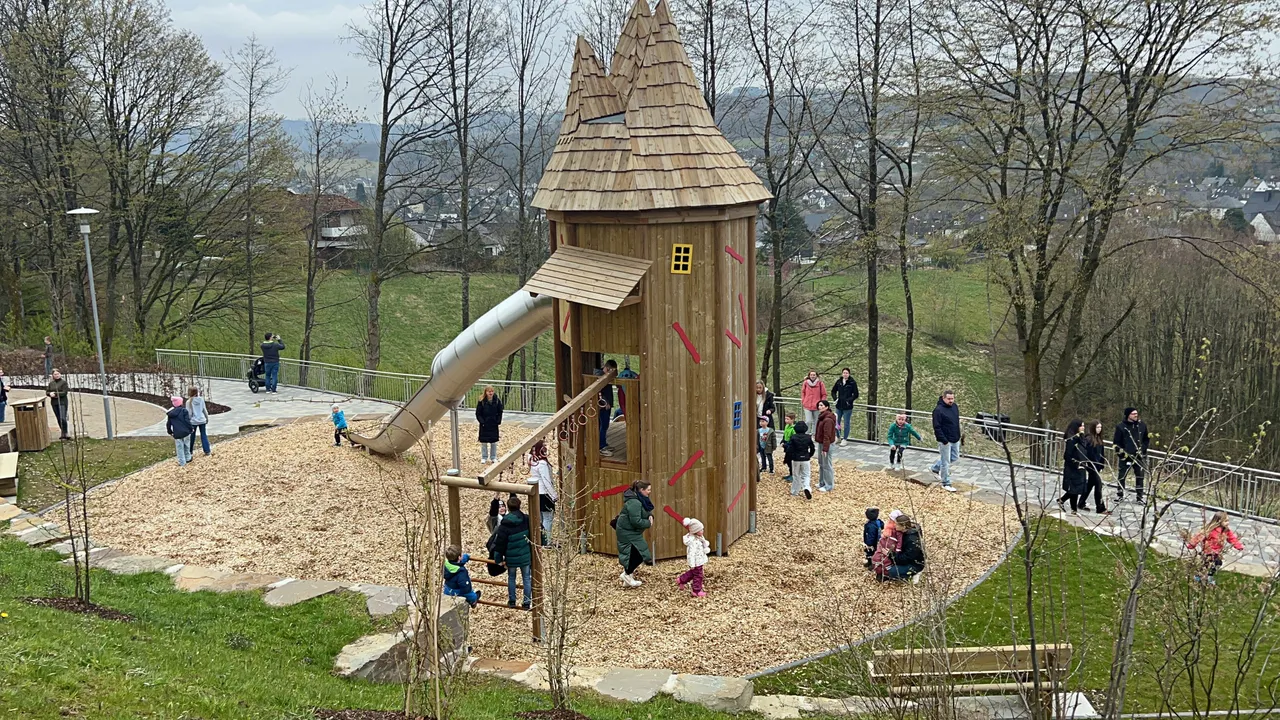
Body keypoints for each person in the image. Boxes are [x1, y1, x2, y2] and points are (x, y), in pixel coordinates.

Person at [491, 496, 532, 609]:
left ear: (508, 507)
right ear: (519, 506)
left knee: (511, 577)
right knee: (526, 578)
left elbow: (500, 544)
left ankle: (512, 601)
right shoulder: (526, 519)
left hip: (511, 557)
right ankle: (527, 602)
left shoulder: (504, 524)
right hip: (525, 556)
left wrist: (498, 559)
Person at [1187, 511, 1244, 586]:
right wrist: (1192, 544)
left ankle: (1207, 576)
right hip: (1208, 551)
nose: (1228, 523)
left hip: (1217, 552)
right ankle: (1199, 577)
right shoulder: (1210, 530)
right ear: (1219, 521)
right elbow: (1199, 536)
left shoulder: (1226, 530)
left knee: (1216, 564)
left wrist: (1238, 546)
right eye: (1226, 521)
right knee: (1207, 565)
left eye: (1228, 520)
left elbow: (1232, 538)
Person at [615, 479, 654, 587]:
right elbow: (636, 521)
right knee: (639, 554)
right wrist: (648, 523)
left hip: (630, 531)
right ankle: (626, 575)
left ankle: (627, 578)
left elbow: (645, 511)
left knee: (631, 553)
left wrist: (650, 515)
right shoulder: (634, 502)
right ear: (641, 490)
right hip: (627, 532)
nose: (650, 492)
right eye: (648, 490)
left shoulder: (640, 499)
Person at [1113, 407, 1150, 504]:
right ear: (1128, 415)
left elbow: (1146, 439)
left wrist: (1142, 449)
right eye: (1133, 414)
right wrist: (1122, 454)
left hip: (1139, 456)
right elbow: (1116, 443)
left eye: (1136, 413)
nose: (1136, 415)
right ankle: (1120, 494)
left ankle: (1140, 497)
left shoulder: (1142, 425)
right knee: (1122, 476)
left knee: (1140, 476)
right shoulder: (1121, 427)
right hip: (1125, 456)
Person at [930, 390, 961, 492]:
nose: (951, 400)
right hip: (945, 441)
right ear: (943, 398)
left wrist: (958, 436)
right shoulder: (938, 410)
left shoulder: (955, 407)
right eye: (948, 399)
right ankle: (946, 483)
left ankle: (935, 468)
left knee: (954, 457)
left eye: (952, 398)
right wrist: (944, 440)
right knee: (945, 462)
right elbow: (937, 427)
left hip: (955, 438)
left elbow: (955, 422)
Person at [881, 514, 926, 581]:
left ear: (903, 527)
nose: (894, 525)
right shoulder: (906, 532)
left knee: (892, 572)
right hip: (907, 557)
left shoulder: (911, 540)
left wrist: (891, 554)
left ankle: (913, 575)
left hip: (915, 564)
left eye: (897, 524)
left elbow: (906, 558)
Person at [529, 440, 556, 545]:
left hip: (538, 492)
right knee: (548, 518)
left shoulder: (533, 461)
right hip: (545, 493)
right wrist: (553, 495)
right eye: (543, 446)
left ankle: (540, 540)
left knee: (540, 517)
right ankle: (546, 541)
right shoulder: (542, 463)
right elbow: (546, 481)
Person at [1059, 419, 1088, 515]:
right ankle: (1073, 510)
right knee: (1074, 489)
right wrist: (1076, 464)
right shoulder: (1071, 439)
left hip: (1081, 466)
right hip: (1073, 468)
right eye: (1081, 426)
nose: (1083, 427)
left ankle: (1063, 501)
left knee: (1076, 489)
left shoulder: (1081, 437)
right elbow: (1067, 455)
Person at [677, 517, 711, 597]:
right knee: (698, 575)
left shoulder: (699, 538)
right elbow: (691, 554)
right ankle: (696, 590)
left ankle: (681, 580)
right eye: (701, 530)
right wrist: (692, 564)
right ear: (696, 531)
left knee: (693, 573)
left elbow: (703, 545)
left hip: (699, 560)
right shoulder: (693, 542)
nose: (703, 531)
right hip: (696, 562)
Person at [1081, 420, 1109, 514]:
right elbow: (1089, 454)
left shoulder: (1099, 438)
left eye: (1100, 427)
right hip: (1092, 466)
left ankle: (1081, 502)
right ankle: (1100, 507)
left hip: (1097, 466)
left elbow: (1101, 453)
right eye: (1097, 427)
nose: (1099, 429)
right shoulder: (1089, 439)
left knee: (1089, 485)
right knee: (1098, 485)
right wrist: (1092, 464)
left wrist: (1101, 464)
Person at [475, 385, 503, 464]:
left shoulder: (497, 400)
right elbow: (478, 413)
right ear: (486, 392)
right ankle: (484, 457)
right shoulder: (481, 401)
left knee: (493, 442)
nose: (490, 393)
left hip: (493, 423)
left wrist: (498, 421)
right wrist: (482, 422)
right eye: (489, 391)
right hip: (484, 424)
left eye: (492, 391)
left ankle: (493, 457)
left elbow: (500, 411)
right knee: (484, 442)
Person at [831, 368, 860, 445]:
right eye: (844, 373)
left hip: (847, 406)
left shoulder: (852, 382)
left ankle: (845, 438)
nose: (845, 374)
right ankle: (838, 437)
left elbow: (856, 394)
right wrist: (835, 398)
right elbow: (833, 391)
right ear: (842, 374)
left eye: (846, 373)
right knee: (837, 422)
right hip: (839, 405)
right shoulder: (839, 382)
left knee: (846, 423)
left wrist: (849, 400)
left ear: (849, 374)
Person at [814, 400, 837, 492]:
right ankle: (822, 482)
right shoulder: (821, 417)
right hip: (821, 443)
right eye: (819, 405)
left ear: (827, 407)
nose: (819, 407)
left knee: (827, 464)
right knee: (821, 463)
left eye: (821, 405)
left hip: (826, 444)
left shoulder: (828, 420)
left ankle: (829, 485)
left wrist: (825, 448)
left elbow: (827, 435)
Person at [788, 420, 815, 500]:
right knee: (806, 474)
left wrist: (791, 456)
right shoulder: (808, 437)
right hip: (805, 458)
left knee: (796, 475)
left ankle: (795, 491)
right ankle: (806, 487)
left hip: (796, 459)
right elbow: (812, 448)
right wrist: (809, 455)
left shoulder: (793, 437)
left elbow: (790, 449)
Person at [598, 359, 619, 456]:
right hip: (603, 405)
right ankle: (601, 446)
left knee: (605, 425)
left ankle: (603, 443)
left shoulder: (606, 377)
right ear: (607, 368)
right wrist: (605, 402)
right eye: (612, 371)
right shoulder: (600, 377)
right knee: (603, 425)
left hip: (606, 404)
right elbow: (599, 391)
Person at [166, 396, 194, 467]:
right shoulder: (184, 411)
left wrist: (170, 432)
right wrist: (191, 428)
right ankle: (188, 458)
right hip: (186, 432)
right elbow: (187, 421)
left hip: (177, 433)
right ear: (181, 403)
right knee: (187, 445)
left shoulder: (171, 414)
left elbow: (168, 424)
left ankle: (182, 462)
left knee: (179, 448)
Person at [47, 369, 70, 440]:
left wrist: (55, 394)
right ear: (53, 375)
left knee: (63, 417)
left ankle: (66, 432)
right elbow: (47, 392)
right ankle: (62, 432)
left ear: (60, 374)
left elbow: (64, 392)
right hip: (54, 402)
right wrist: (49, 394)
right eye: (55, 374)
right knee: (58, 418)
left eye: (57, 374)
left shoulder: (64, 382)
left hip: (62, 402)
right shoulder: (51, 383)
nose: (56, 375)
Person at [186, 387, 211, 456]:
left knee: (192, 436)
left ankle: (190, 451)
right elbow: (204, 410)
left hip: (193, 421)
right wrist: (206, 418)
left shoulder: (188, 402)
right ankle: (207, 451)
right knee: (203, 435)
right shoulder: (201, 399)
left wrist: (188, 420)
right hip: (202, 420)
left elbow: (189, 413)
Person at [781, 411, 798, 481]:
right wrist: (782, 441)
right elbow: (785, 434)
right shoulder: (787, 426)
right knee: (788, 460)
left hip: (790, 446)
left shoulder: (794, 428)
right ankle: (790, 473)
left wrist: (787, 444)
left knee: (790, 460)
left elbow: (793, 439)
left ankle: (793, 475)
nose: (786, 420)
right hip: (786, 444)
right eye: (785, 419)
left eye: (788, 419)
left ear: (792, 420)